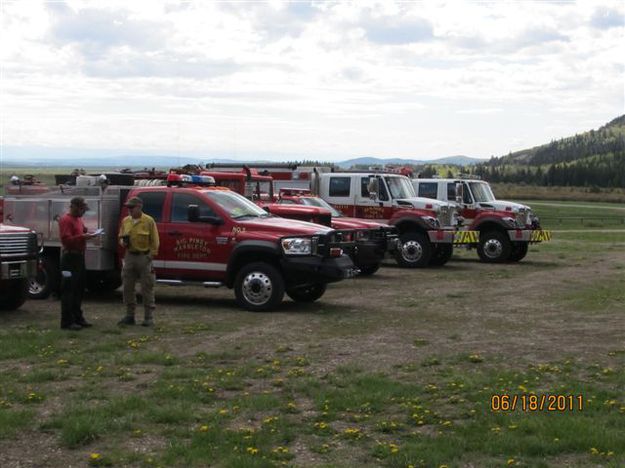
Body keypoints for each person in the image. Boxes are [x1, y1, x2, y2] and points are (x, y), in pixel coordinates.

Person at [117, 197, 160, 326]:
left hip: (144, 256)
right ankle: (130, 315)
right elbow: (120, 236)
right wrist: (123, 242)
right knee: (127, 286)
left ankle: (148, 317)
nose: (129, 210)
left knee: (147, 287)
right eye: (128, 208)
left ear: (139, 207)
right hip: (130, 255)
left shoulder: (148, 221)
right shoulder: (126, 221)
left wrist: (150, 256)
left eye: (132, 207)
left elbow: (155, 241)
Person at [58, 197, 97, 330]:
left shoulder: (78, 219)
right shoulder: (66, 220)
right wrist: (83, 237)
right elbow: (67, 240)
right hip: (69, 258)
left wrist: (89, 233)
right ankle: (67, 322)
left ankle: (78, 318)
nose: (83, 212)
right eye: (81, 209)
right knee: (68, 290)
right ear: (74, 206)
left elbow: (82, 230)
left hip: (79, 258)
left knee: (79, 289)